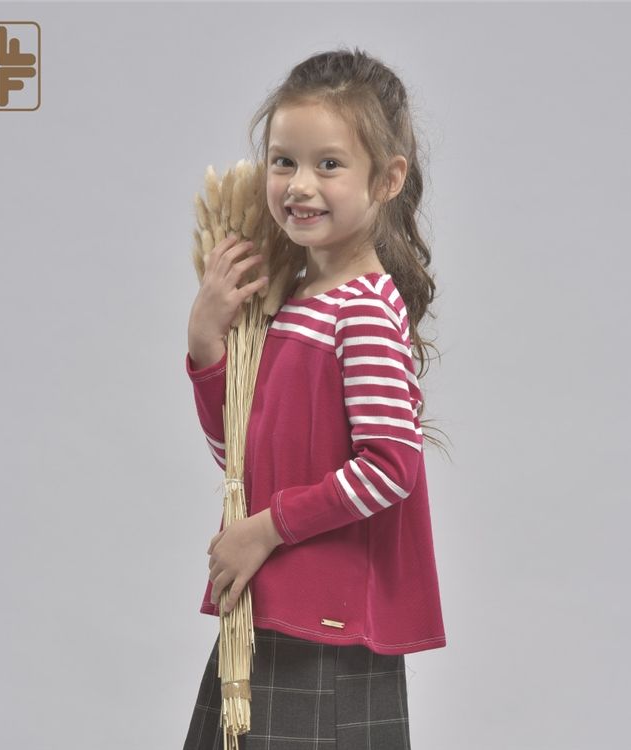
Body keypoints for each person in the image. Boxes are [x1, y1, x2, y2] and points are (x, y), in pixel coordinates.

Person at [183, 46, 447, 750]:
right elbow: (241, 458)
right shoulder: (292, 300)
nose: (300, 185)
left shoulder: (362, 309)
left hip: (325, 630)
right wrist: (207, 349)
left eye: (329, 164)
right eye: (284, 161)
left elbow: (391, 466)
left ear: (387, 179)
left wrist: (264, 529)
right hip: (269, 611)